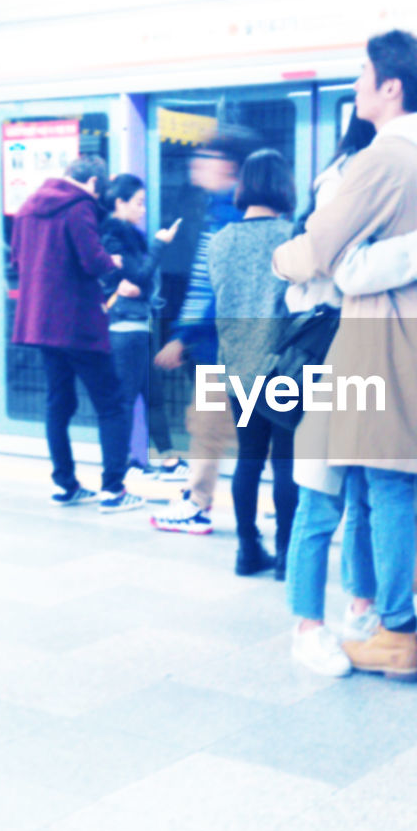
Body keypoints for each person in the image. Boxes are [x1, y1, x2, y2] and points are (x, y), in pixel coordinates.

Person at [274, 29, 417, 686]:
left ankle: (394, 633)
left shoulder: (383, 160)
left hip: (385, 345)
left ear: (390, 87)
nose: (356, 83)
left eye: (363, 72)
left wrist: (282, 262)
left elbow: (326, 254)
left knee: (386, 486)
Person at [10, 155, 143, 513]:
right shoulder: (79, 206)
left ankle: (65, 484)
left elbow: (17, 260)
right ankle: (113, 490)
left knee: (59, 403)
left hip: (40, 324)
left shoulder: (27, 208)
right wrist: (113, 264)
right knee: (112, 404)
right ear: (95, 185)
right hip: (76, 324)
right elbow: (92, 260)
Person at [151, 126, 259, 534]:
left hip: (223, 347)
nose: (196, 162)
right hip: (235, 345)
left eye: (206, 156)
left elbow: (215, 288)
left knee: (207, 426)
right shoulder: (222, 211)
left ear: (229, 167)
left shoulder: (229, 216)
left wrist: (184, 335)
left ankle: (197, 502)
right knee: (224, 427)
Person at [207, 149, 299, 577]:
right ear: (284, 185)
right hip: (283, 365)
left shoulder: (220, 240)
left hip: (235, 364)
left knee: (248, 458)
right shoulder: (292, 236)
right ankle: (285, 555)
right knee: (286, 461)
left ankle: (247, 550)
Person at [99, 174, 185, 478]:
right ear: (119, 203)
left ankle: (168, 459)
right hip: (123, 329)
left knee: (153, 395)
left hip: (139, 325)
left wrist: (141, 280)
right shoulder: (112, 236)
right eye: (138, 203)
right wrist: (160, 246)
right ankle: (123, 464)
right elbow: (141, 277)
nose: (143, 209)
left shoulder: (129, 236)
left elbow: (142, 284)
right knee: (125, 399)